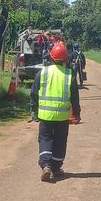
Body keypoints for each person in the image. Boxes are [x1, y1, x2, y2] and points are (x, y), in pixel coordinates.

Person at [30, 41, 80, 182]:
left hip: (45, 115)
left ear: (50, 57)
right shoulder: (69, 75)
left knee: (45, 139)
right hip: (62, 117)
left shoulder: (42, 73)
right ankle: (56, 168)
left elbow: (34, 93)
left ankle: (46, 165)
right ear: (65, 59)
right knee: (60, 141)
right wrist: (76, 113)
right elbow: (75, 97)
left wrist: (34, 110)